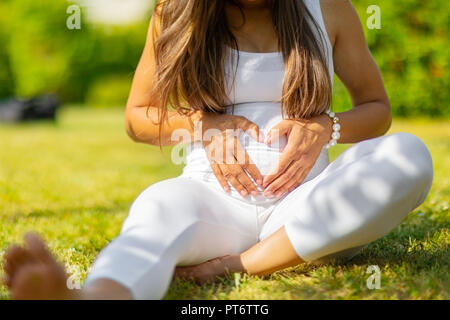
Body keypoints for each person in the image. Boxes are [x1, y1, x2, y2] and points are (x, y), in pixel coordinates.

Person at [3, 0, 433, 300]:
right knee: (156, 208)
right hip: (213, 201)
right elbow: (138, 116)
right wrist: (201, 126)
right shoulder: (176, 10)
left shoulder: (328, 7)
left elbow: (377, 109)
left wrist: (326, 127)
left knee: (409, 155)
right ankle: (97, 296)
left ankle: (243, 264)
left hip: (305, 208)